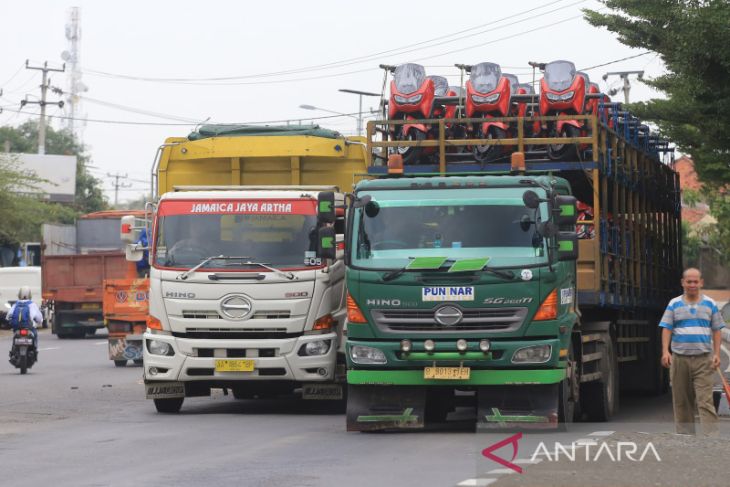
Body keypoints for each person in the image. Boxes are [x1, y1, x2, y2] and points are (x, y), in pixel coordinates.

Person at [659, 268, 726, 435]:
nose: (692, 285)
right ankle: (686, 441)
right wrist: (665, 352)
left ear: (701, 283)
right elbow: (666, 328)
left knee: (705, 401)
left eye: (696, 281)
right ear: (683, 283)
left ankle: (711, 441)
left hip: (703, 360)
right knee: (682, 402)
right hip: (680, 359)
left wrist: (717, 354)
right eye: (689, 281)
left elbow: (717, 330)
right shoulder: (674, 304)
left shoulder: (710, 304)